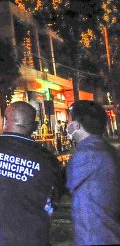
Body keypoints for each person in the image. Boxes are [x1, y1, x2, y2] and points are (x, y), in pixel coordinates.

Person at [0, 101, 62, 246]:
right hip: (34, 238)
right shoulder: (47, 158)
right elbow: (52, 200)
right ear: (34, 126)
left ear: (5, 120)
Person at [65, 100, 120, 245]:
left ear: (77, 125)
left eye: (69, 120)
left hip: (96, 234)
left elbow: (67, 182)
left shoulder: (87, 153)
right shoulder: (105, 148)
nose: (67, 125)